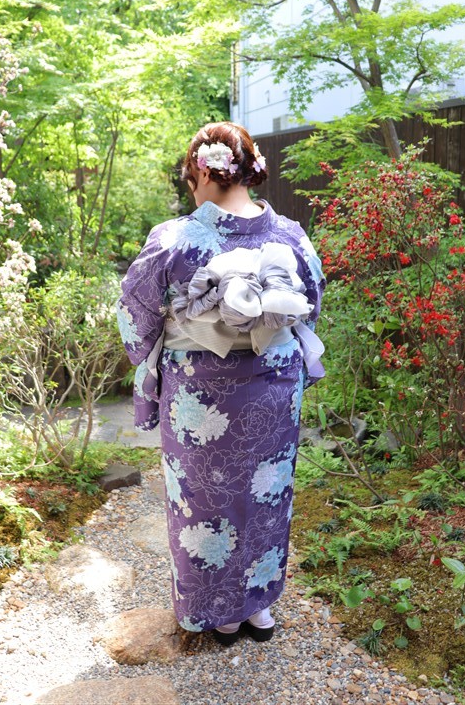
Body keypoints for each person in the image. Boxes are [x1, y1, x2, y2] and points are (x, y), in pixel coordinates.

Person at [117, 121, 326, 646]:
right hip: (274, 384)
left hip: (200, 391)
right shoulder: (291, 235)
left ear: (205, 174)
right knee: (265, 495)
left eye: (190, 180)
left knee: (205, 503)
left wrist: (150, 362)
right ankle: (259, 608)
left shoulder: (174, 238)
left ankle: (221, 614)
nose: (192, 190)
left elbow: (134, 310)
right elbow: (312, 303)